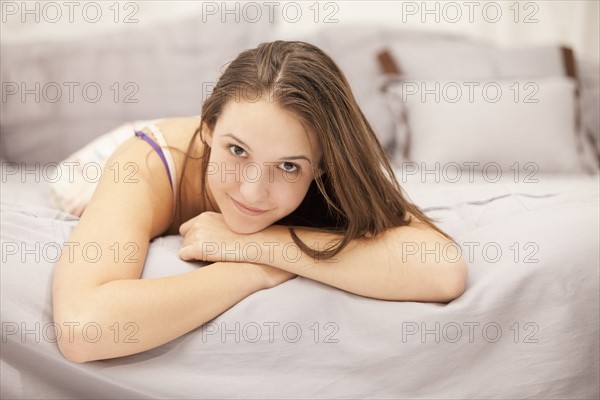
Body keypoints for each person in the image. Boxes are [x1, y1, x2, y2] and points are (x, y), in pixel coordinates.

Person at [52, 40, 467, 363]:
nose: (252, 192)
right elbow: (81, 329)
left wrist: (259, 247)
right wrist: (254, 273)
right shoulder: (145, 164)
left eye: (288, 166)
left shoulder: (329, 164)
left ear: (322, 165)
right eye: (237, 151)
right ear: (210, 128)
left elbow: (443, 270)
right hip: (101, 160)